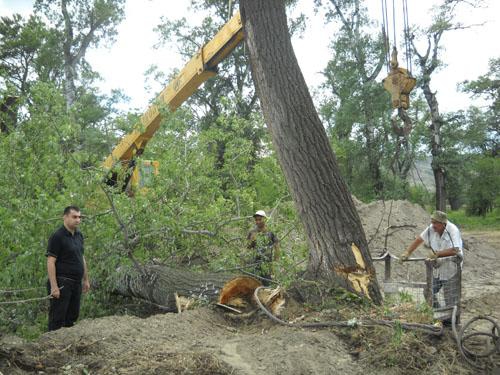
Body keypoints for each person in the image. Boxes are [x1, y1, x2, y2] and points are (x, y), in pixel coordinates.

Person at [401, 210, 463, 310]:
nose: (432, 225)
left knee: (450, 299)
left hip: (452, 269)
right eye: (432, 222)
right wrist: (407, 252)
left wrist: (437, 254)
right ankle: (438, 312)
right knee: (428, 291)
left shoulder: (453, 230)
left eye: (435, 223)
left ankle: (451, 322)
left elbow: (455, 250)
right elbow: (419, 239)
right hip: (438, 268)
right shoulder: (431, 228)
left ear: (443, 224)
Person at [46, 206, 90, 331]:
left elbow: (81, 257)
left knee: (72, 317)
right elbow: (50, 261)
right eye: (74, 217)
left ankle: (67, 348)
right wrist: (54, 286)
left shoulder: (79, 235)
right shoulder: (57, 236)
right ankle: (52, 346)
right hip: (62, 282)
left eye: (79, 217)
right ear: (65, 217)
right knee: (57, 318)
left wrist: (85, 279)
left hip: (76, 283)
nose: (78, 220)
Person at [247, 210, 279, 284]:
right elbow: (247, 248)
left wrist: (276, 261)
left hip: (267, 264)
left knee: (267, 284)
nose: (257, 222)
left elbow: (277, 246)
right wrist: (252, 241)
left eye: (259, 219)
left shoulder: (270, 231)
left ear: (264, 219)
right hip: (255, 263)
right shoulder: (252, 232)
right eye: (256, 220)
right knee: (255, 284)